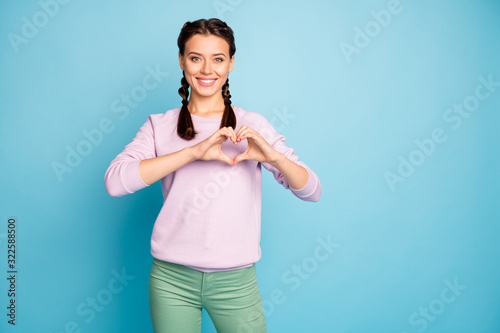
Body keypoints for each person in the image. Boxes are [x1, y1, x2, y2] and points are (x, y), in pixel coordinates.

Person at [104, 18, 321, 333]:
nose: (207, 70)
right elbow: (115, 182)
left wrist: (274, 157)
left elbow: (311, 190)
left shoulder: (252, 125)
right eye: (195, 58)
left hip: (236, 282)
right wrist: (192, 153)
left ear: (231, 63)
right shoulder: (159, 125)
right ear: (181, 60)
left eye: (218, 59)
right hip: (171, 280)